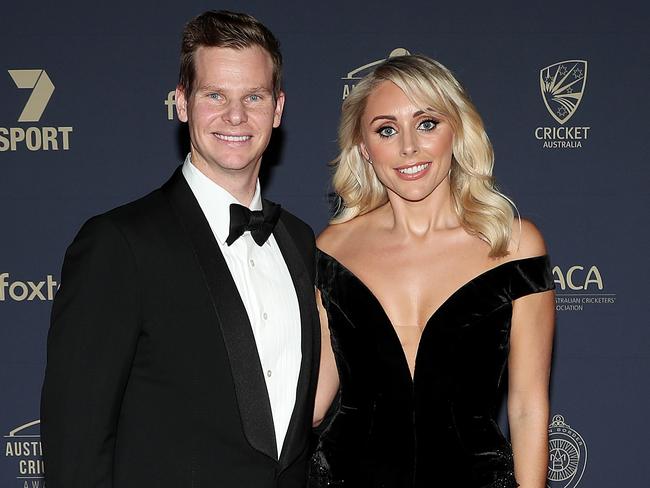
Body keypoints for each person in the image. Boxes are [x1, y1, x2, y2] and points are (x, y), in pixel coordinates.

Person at [41, 10, 319, 488]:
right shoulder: (119, 243)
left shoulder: (299, 240)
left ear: (277, 108)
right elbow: (76, 443)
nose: (236, 116)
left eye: (253, 96)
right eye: (215, 95)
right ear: (182, 103)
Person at [309, 55, 555, 488]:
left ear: (456, 130)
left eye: (427, 124)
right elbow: (312, 403)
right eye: (387, 130)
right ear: (364, 148)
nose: (408, 147)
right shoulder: (333, 248)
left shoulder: (513, 246)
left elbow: (527, 406)